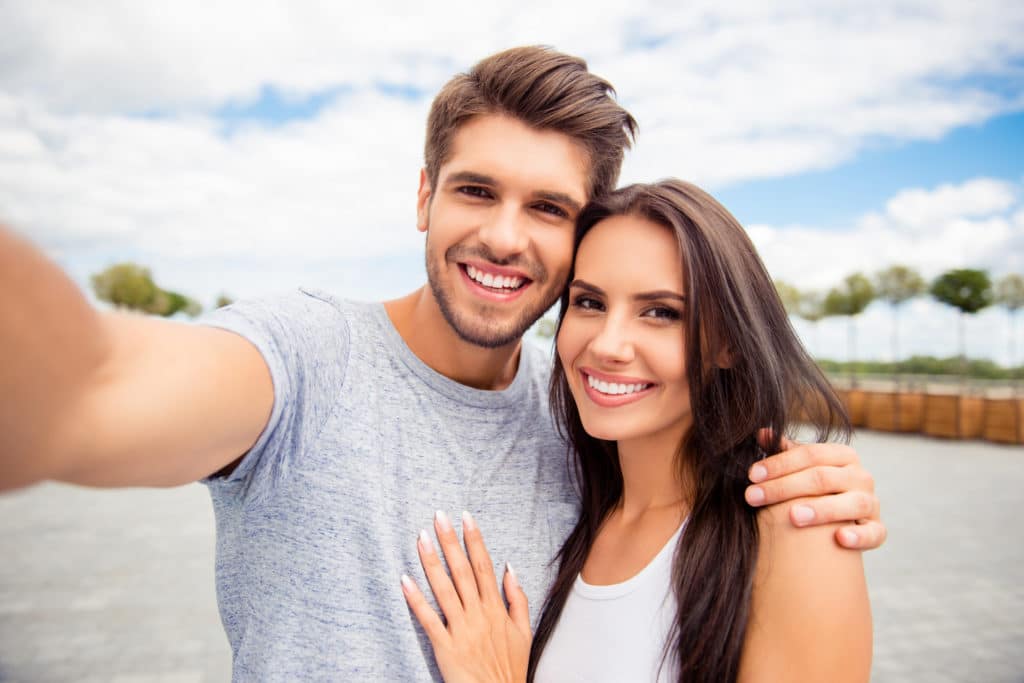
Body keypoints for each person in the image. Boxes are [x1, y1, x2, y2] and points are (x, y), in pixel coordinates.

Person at [0, 48, 882, 680]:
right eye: (475, 189)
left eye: (546, 206)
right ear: (423, 195)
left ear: (581, 235)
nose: (503, 234)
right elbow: (97, 384)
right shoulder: (304, 360)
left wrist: (804, 500)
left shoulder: (585, 416)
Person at [401, 180, 872, 682]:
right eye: (589, 303)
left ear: (730, 343)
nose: (609, 344)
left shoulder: (793, 531)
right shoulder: (576, 504)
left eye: (661, 313)